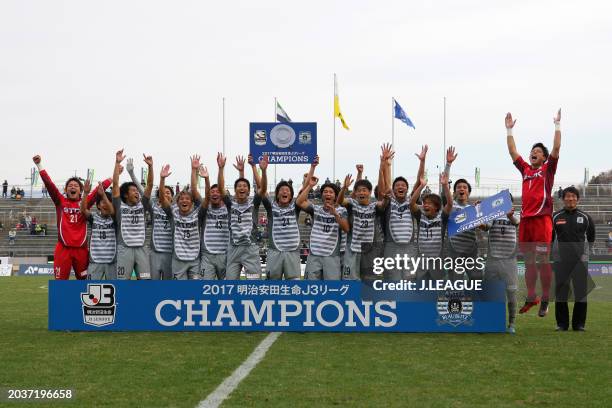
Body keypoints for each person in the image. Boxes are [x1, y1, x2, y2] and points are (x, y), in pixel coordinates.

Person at [506, 109, 561, 317]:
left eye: (538, 150)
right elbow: (512, 152)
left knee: (542, 259)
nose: (533, 152)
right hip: (526, 221)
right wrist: (509, 130)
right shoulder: (526, 170)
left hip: (542, 220)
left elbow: (556, 147)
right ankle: (532, 296)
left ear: (544, 157)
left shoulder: (547, 169)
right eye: (532, 149)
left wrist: (556, 125)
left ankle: (545, 297)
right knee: (528, 261)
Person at [33, 154, 111, 280]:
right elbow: (49, 184)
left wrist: (113, 176)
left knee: (83, 283)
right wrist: (39, 165)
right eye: (70, 185)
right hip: (63, 249)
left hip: (81, 250)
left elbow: (98, 190)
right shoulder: (60, 201)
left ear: (81, 190)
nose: (73, 187)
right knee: (60, 283)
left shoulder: (85, 202)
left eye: (76, 186)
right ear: (65, 189)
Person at [337, 149, 389, 281]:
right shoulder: (352, 204)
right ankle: (350, 300)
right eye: (359, 190)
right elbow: (340, 201)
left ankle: (368, 301)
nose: (362, 193)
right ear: (355, 192)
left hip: (369, 249)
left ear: (370, 192)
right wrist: (344, 187)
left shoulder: (373, 206)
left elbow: (382, 203)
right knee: (350, 280)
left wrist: (382, 165)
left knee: (369, 280)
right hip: (352, 248)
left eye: (364, 190)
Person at [380, 145, 427, 280]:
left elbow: (419, 181)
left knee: (409, 279)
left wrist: (422, 161)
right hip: (391, 246)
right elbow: (386, 183)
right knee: (392, 279)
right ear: (394, 190)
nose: (400, 187)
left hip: (409, 247)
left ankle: (408, 301)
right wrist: (384, 163)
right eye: (397, 185)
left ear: (407, 189)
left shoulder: (411, 201)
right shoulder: (389, 201)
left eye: (403, 185)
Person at [552, 187, 595, 331]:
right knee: (561, 293)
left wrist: (583, 254)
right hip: (561, 261)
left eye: (573, 196)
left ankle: (579, 325)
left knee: (581, 293)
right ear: (563, 199)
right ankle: (562, 324)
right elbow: (550, 238)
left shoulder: (586, 217)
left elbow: (591, 238)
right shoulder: (555, 216)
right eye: (567, 196)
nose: (570, 199)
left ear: (578, 199)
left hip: (580, 261)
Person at [218, 154, 268, 280]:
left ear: (249, 191)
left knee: (254, 283)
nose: (242, 188)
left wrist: (262, 170)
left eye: (245, 186)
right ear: (234, 190)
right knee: (230, 283)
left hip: (250, 248)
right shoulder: (230, 204)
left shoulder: (253, 202)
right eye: (239, 186)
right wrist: (221, 169)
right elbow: (220, 188)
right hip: (233, 248)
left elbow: (262, 189)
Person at [296, 162, 349, 280]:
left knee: (332, 289)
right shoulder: (316, 209)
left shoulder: (341, 210)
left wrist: (335, 214)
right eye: (325, 192)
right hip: (314, 255)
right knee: (311, 290)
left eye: (331, 192)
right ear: (322, 195)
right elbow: (299, 202)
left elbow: (346, 228)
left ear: (335, 196)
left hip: (332, 256)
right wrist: (309, 186)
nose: (328, 194)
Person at [158, 156, 205, 280]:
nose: (184, 201)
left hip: (195, 259)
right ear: (177, 202)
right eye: (182, 199)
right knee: (179, 291)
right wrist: (162, 179)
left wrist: (194, 171)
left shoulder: (197, 213)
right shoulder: (173, 213)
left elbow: (196, 193)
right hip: (178, 259)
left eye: (187, 199)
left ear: (192, 203)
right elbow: (162, 199)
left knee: (195, 291)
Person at [258, 155, 304, 280]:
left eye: (287, 190)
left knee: (294, 285)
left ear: (291, 195)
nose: (285, 191)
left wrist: (312, 168)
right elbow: (262, 190)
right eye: (282, 190)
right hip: (275, 251)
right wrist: (262, 171)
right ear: (277, 194)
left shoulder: (295, 207)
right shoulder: (271, 207)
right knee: (272, 284)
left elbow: (304, 191)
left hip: (292, 252)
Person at [127, 157, 173, 280]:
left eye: (168, 192)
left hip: (172, 254)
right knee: (153, 286)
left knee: (170, 287)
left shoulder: (177, 211)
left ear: (173, 197)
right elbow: (144, 191)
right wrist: (132, 174)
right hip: (154, 253)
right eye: (163, 193)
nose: (165, 194)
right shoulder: (154, 207)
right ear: (159, 198)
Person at [112, 149, 153, 280]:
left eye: (137, 190)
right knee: (123, 283)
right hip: (124, 249)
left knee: (145, 282)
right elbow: (115, 185)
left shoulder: (142, 206)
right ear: (125, 194)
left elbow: (150, 186)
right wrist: (117, 163)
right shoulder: (120, 207)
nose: (137, 193)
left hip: (142, 249)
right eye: (133, 190)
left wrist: (150, 167)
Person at [482, 196, 520, 334]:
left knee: (511, 293)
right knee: (491, 292)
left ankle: (512, 323)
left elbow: (516, 223)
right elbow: (486, 226)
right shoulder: (492, 215)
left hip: (509, 261)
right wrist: (478, 220)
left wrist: (510, 216)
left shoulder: (516, 214)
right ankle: (491, 323)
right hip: (492, 260)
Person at [410, 170, 453, 280]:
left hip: (437, 263)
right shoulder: (421, 217)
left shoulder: (442, 218)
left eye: (429, 203)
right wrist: (421, 186)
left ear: (437, 207)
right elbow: (411, 203)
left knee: (435, 292)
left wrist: (445, 185)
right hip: (422, 262)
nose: (425, 205)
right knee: (422, 291)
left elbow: (450, 203)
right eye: (424, 203)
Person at [199, 154, 230, 280]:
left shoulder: (229, 208)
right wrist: (206, 179)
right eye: (212, 192)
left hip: (225, 254)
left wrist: (221, 169)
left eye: (218, 192)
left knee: (227, 290)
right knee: (205, 288)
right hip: (207, 255)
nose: (215, 193)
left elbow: (223, 189)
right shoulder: (205, 207)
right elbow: (201, 195)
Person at [80, 180, 117, 280]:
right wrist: (86, 193)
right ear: (98, 205)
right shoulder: (94, 217)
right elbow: (83, 209)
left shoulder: (116, 218)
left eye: (108, 202)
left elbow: (112, 211)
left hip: (112, 261)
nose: (105, 204)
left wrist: (103, 195)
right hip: (95, 261)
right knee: (91, 289)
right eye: (103, 202)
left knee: (115, 289)